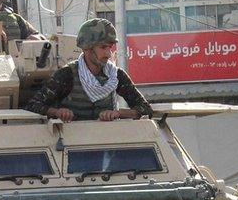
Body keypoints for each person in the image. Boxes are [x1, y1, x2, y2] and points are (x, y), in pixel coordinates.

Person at [25, 18, 153, 122]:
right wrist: (57, 112)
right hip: (71, 143)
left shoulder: (116, 75)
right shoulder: (67, 75)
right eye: (103, 47)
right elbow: (33, 105)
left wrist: (117, 113)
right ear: (87, 48)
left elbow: (145, 108)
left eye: (110, 47)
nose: (108, 54)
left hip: (107, 143)